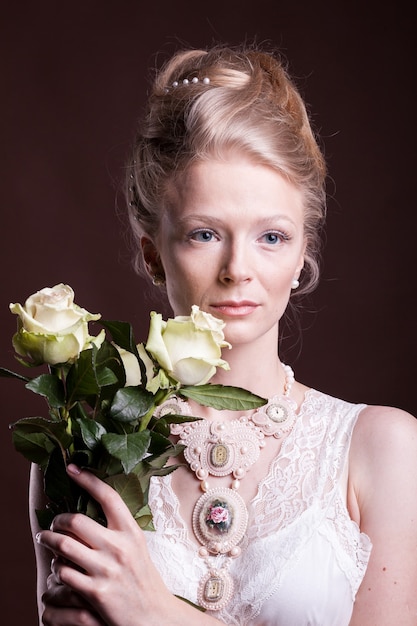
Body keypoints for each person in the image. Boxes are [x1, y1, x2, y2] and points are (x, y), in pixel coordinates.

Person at [31, 43, 417, 626]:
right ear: (153, 254)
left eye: (272, 237)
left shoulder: (384, 450)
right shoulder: (82, 445)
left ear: (302, 251)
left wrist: (155, 614)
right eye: (205, 234)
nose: (239, 268)